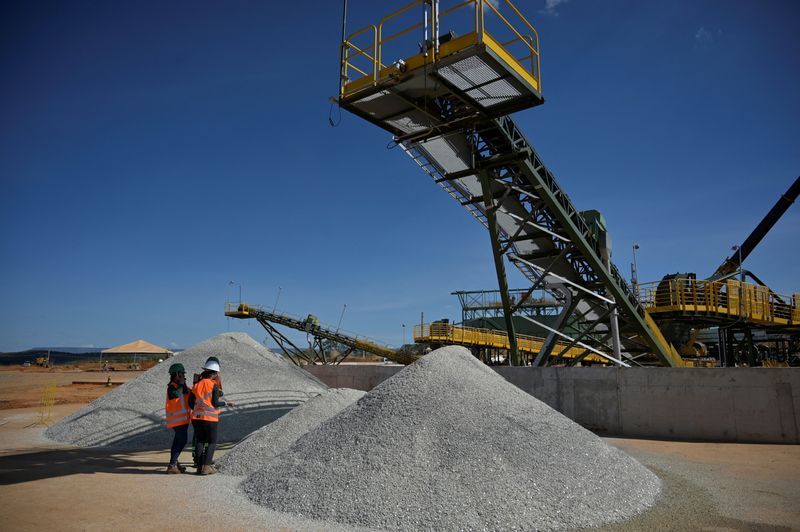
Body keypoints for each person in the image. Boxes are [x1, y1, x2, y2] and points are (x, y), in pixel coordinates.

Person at [189, 357, 229, 475]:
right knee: (212, 442)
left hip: (196, 418)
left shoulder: (196, 385)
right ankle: (207, 467)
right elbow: (215, 403)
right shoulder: (213, 385)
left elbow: (191, 403)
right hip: (210, 418)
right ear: (215, 373)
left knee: (200, 441)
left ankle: (199, 467)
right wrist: (226, 403)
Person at [164, 363, 191, 474]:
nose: (183, 376)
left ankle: (174, 463)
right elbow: (174, 395)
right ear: (176, 375)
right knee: (182, 441)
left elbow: (190, 393)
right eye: (181, 374)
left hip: (183, 420)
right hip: (177, 421)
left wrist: (185, 384)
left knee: (177, 442)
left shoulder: (182, 387)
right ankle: (172, 464)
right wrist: (180, 384)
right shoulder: (172, 387)